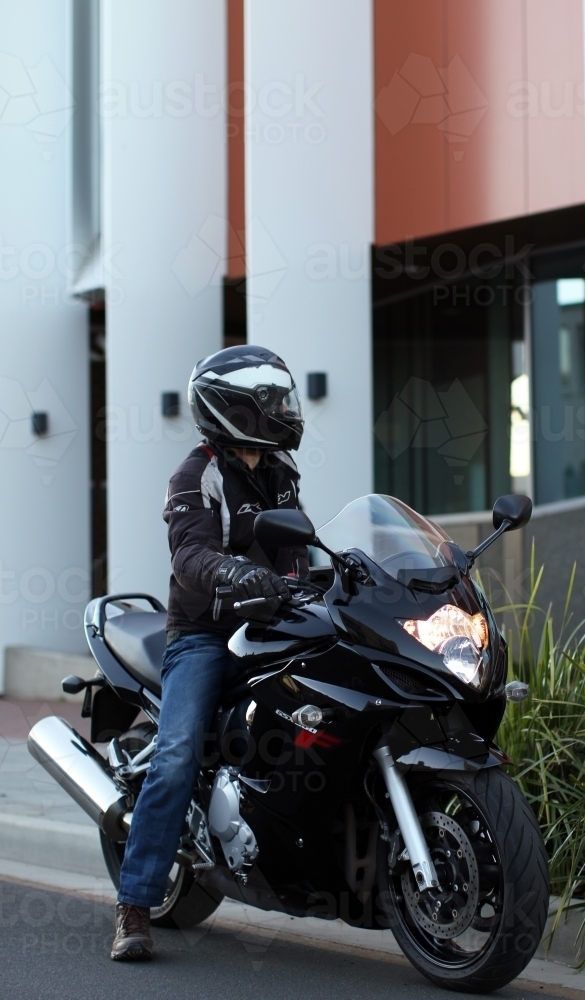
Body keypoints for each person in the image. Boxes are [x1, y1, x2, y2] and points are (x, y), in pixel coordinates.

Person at [111, 345, 307, 961]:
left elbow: (301, 546)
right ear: (234, 408)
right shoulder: (196, 474)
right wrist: (236, 573)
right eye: (272, 401)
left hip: (272, 627)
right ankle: (134, 906)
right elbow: (190, 557)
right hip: (204, 635)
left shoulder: (280, 470)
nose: (284, 411)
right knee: (175, 755)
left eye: (283, 400)